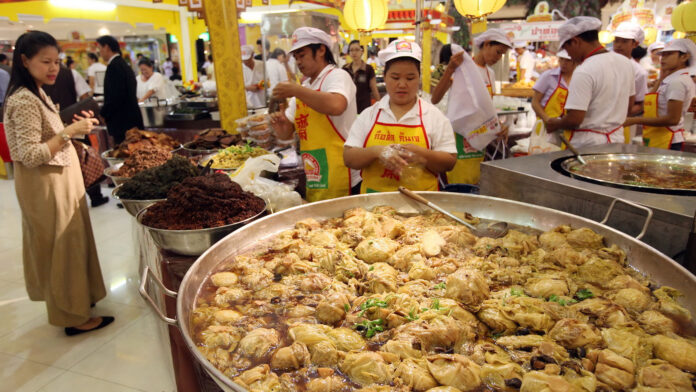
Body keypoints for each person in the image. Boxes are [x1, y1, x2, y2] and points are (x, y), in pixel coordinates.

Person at [3, 30, 113, 336]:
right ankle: (72, 317)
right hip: (45, 185)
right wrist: (67, 132)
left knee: (72, 244)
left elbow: (44, 136)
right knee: (61, 247)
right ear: (24, 61)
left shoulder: (38, 92)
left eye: (57, 62)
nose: (54, 68)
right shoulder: (23, 100)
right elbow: (28, 154)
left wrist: (73, 127)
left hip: (60, 179)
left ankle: (80, 301)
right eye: (45, 62)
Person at [343, 40, 456, 193]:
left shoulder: (434, 116)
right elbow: (349, 157)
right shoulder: (369, 115)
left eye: (410, 78)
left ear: (419, 78)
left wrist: (421, 154)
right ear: (384, 77)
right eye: (395, 78)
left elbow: (449, 162)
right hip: (373, 209)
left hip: (421, 206)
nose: (402, 84)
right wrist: (377, 151)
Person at [270, 27, 358, 202]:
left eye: (302, 55)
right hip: (315, 171)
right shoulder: (305, 88)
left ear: (321, 50)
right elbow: (286, 133)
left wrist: (296, 89)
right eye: (296, 58)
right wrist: (280, 125)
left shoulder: (337, 76)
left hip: (342, 171)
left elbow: (336, 105)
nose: (299, 62)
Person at [431, 29, 512, 185]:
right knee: (457, 185)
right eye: (498, 52)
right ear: (486, 44)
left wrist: (499, 126)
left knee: (475, 182)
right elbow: (435, 98)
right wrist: (450, 69)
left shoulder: (490, 74)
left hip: (479, 138)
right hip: (458, 137)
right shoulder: (462, 68)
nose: (498, 58)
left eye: (502, 55)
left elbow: (487, 109)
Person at [546, 17, 635, 147]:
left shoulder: (584, 70)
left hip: (587, 145)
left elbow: (575, 119)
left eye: (567, 48)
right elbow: (629, 105)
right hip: (616, 140)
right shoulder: (625, 63)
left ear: (576, 41)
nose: (569, 55)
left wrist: (555, 124)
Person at [624, 39, 696, 150]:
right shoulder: (669, 79)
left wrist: (634, 120)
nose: (663, 58)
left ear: (684, 57)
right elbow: (650, 101)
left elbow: (673, 119)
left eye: (669, 54)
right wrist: (660, 78)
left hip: (668, 140)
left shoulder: (678, 81)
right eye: (663, 54)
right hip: (656, 136)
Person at [97, 35, 143, 144]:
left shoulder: (114, 66)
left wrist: (103, 114)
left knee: (124, 154)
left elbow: (115, 96)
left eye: (100, 48)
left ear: (106, 47)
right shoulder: (123, 64)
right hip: (131, 120)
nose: (100, 53)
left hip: (122, 122)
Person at [532, 49, 577, 146]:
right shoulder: (548, 76)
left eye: (568, 61)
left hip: (567, 129)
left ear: (575, 62)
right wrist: (548, 120)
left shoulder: (578, 79)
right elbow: (535, 102)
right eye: (562, 59)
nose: (564, 63)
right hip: (546, 127)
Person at [613, 22, 648, 143]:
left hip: (620, 125)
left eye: (624, 41)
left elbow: (640, 103)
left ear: (635, 44)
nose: (618, 45)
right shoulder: (602, 63)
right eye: (616, 40)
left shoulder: (639, 72)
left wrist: (618, 115)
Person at [343, 40, 380, 113]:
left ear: (362, 51)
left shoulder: (368, 69)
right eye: (351, 50)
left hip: (364, 108)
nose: (354, 53)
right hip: (348, 107)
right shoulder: (345, 69)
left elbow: (374, 89)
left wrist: (380, 105)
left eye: (357, 50)